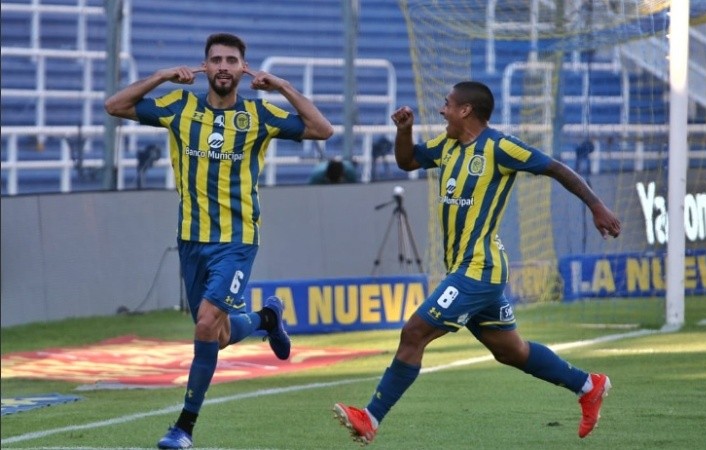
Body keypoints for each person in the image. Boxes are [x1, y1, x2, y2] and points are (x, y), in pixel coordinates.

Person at [333, 81, 622, 445]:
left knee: (414, 333)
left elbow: (555, 168)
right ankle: (588, 386)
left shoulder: (500, 147)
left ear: (466, 110)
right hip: (467, 268)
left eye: (448, 104)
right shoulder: (447, 145)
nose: (442, 110)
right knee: (510, 351)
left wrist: (596, 206)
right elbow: (407, 161)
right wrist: (404, 131)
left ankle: (371, 417)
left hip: (478, 268)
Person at [105, 32, 333, 449]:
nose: (223, 67)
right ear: (204, 67)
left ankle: (183, 427)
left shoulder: (259, 114)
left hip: (237, 240)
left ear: (243, 69)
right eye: (216, 60)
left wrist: (282, 86)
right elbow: (114, 106)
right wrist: (160, 76)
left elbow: (323, 129)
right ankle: (267, 319)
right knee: (219, 335)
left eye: (231, 60)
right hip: (191, 239)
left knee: (207, 323)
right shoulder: (180, 106)